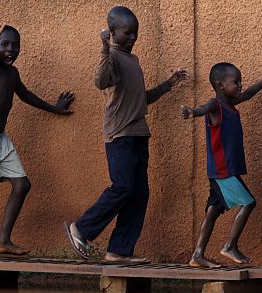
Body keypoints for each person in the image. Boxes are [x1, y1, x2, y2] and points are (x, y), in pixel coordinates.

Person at [64, 6, 188, 264]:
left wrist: (169, 84)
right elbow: (100, 81)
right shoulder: (112, 58)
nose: (133, 38)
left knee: (140, 193)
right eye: (127, 33)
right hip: (119, 135)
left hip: (138, 133)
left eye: (136, 34)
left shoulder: (133, 60)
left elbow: (140, 99)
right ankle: (81, 229)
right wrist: (104, 47)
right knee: (123, 186)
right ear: (112, 32)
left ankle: (119, 250)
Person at [0, 15, 74, 260]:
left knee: (22, 184)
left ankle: (2, 240)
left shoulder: (12, 74)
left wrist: (55, 109)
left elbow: (26, 96)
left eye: (15, 45)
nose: (10, 50)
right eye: (4, 44)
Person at [180, 58, 262, 267]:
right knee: (248, 203)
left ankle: (197, 255)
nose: (240, 85)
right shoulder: (215, 105)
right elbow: (203, 108)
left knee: (213, 209)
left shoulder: (230, 104)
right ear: (221, 86)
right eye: (235, 82)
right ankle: (229, 246)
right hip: (223, 171)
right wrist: (192, 112)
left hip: (224, 171)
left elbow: (249, 93)